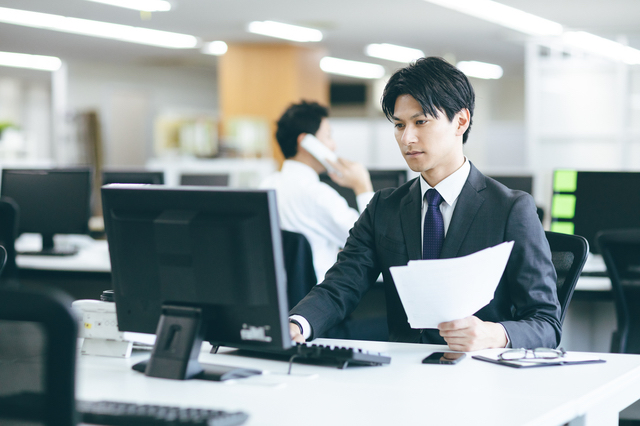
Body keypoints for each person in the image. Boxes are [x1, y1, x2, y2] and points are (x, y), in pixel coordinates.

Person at [289, 57, 561, 352]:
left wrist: (496, 334)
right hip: (403, 373)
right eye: (399, 125)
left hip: (480, 375)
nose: (407, 138)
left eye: (420, 122)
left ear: (461, 121)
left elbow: (546, 322)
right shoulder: (384, 207)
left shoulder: (510, 209)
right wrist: (296, 323)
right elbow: (341, 285)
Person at [260, 101, 374, 282]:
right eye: (328, 136)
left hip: (284, 299)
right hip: (322, 300)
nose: (333, 146)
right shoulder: (317, 194)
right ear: (306, 142)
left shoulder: (267, 186)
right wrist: (362, 186)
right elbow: (371, 242)